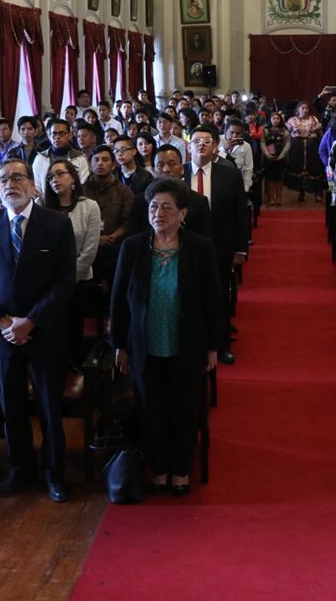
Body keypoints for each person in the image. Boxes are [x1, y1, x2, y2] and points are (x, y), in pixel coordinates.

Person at [0, 159, 77, 502]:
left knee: (48, 407)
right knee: (10, 407)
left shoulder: (56, 224)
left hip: (43, 331)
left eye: (17, 177)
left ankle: (54, 472)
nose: (10, 184)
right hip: (1, 335)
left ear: (32, 185)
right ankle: (20, 470)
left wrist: (30, 321)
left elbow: (64, 281)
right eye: (3, 180)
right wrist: (1, 322)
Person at [110, 177, 225, 497]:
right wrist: (119, 344)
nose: (158, 213)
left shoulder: (200, 248)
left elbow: (213, 301)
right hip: (144, 343)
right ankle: (159, 468)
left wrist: (214, 346)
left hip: (186, 343)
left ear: (183, 213)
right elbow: (119, 300)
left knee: (186, 409)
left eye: (167, 207)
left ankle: (180, 469)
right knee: (151, 409)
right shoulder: (133, 247)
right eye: (153, 206)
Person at [185, 125, 250, 364]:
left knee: (219, 295)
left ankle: (220, 343)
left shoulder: (229, 173)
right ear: (189, 146)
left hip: (219, 246)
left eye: (207, 141)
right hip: (185, 247)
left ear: (215, 148)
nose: (201, 145)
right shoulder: (179, 175)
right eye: (196, 141)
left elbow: (240, 213)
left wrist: (241, 248)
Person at [84, 145, 133, 282]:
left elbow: (127, 221)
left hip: (115, 247)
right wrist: (96, 239)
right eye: (96, 159)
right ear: (90, 164)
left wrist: (111, 237)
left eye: (105, 160)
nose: (100, 163)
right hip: (87, 248)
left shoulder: (124, 191)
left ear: (113, 165)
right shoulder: (81, 191)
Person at [33, 118, 91, 190]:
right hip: (46, 200)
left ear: (70, 135)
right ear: (49, 136)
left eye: (62, 133)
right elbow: (37, 186)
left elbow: (83, 185)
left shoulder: (80, 158)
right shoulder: (40, 158)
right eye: (54, 134)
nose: (57, 137)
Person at [285, 101, 324, 202]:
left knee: (314, 168)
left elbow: (320, 132)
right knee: (299, 168)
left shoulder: (313, 119)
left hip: (312, 147)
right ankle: (301, 192)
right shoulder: (292, 120)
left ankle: (317, 192)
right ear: (298, 109)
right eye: (302, 108)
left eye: (306, 108)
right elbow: (287, 133)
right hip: (297, 147)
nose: (305, 110)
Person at [262, 111, 292, 207]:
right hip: (269, 157)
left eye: (277, 118)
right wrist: (267, 154)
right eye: (273, 118)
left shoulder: (285, 131)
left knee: (279, 178)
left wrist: (282, 155)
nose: (275, 120)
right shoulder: (265, 130)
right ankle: (271, 198)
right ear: (270, 119)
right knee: (270, 178)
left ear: (281, 120)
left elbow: (288, 144)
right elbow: (262, 143)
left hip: (281, 158)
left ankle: (279, 197)